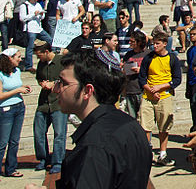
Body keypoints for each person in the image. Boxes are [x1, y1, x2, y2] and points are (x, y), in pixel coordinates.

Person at [51, 50, 152, 188]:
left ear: (87, 91)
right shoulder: (130, 124)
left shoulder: (94, 146)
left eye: (63, 83)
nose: (55, 89)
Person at [138, 30, 181, 166]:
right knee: (145, 125)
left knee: (164, 126)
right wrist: (150, 89)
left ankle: (163, 153)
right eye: (153, 43)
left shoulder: (172, 58)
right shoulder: (148, 58)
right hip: (148, 96)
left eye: (157, 44)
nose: (154, 46)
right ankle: (147, 151)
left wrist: (161, 87)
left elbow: (177, 79)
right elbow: (142, 77)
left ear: (164, 44)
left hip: (165, 96)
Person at [33, 41, 66, 174]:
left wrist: (54, 84)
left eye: (39, 55)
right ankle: (43, 158)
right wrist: (42, 83)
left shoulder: (61, 61)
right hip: (44, 103)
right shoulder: (41, 64)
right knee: (39, 132)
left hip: (58, 103)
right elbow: (38, 78)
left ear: (47, 52)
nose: (38, 58)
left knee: (59, 134)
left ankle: (57, 161)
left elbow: (70, 78)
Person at [0, 47, 31, 177]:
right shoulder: (1, 74)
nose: (20, 59)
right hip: (6, 110)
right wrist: (17, 90)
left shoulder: (17, 71)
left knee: (14, 141)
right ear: (9, 59)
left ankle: (11, 168)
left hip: (19, 107)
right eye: (17, 57)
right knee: (3, 142)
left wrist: (23, 88)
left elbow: (16, 87)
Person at [20, 0, 51, 72]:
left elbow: (42, 17)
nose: (36, 0)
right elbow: (22, 18)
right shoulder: (24, 6)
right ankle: (28, 66)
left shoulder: (37, 4)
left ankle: (49, 59)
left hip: (39, 28)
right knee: (30, 47)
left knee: (50, 40)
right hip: (30, 28)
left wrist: (41, 15)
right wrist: (34, 14)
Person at [121, 31, 149, 121]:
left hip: (143, 90)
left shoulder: (148, 54)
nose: (130, 43)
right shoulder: (128, 54)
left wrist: (141, 70)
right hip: (130, 89)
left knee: (144, 120)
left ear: (139, 42)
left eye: (132, 41)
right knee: (131, 120)